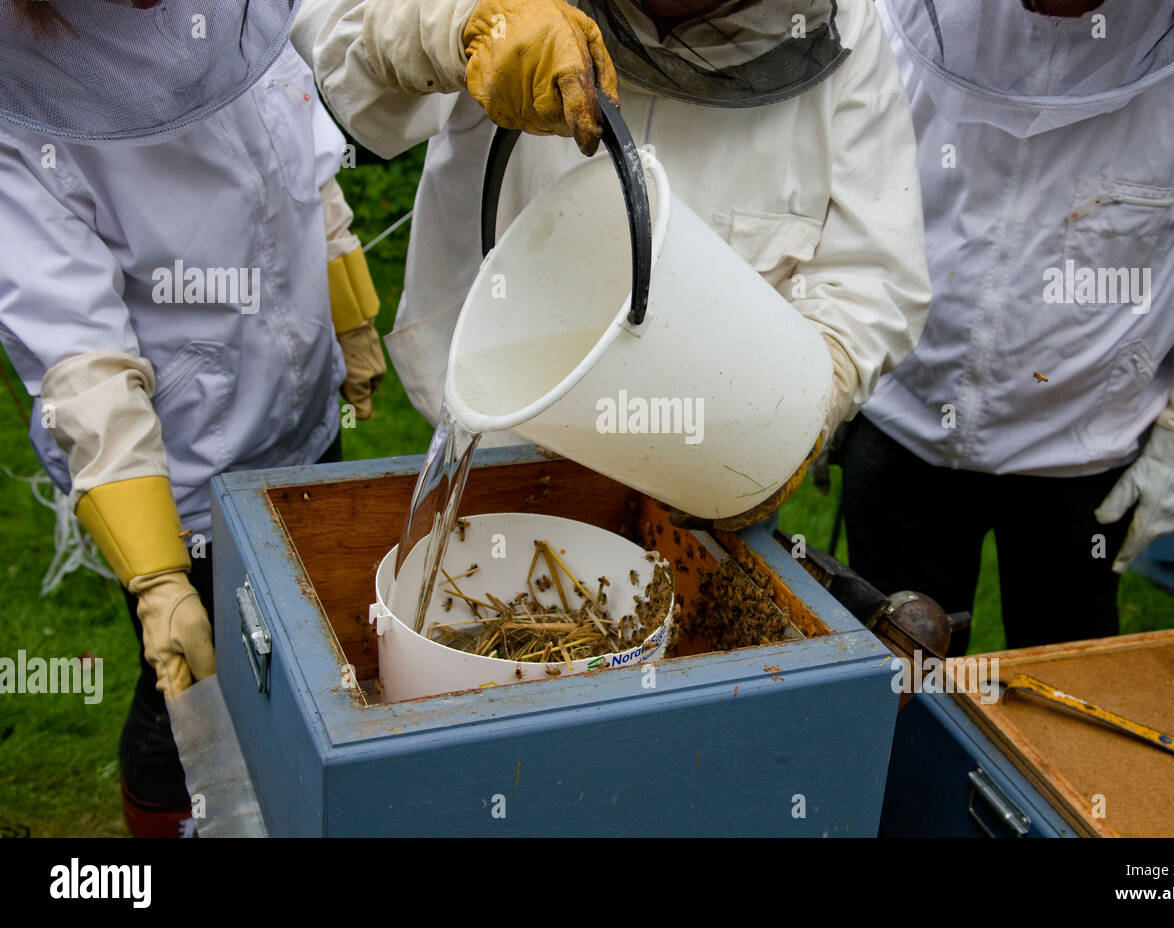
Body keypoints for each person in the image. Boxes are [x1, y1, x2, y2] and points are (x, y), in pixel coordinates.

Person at [292, 0, 932, 528]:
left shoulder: (846, 32)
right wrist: (467, 24)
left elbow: (872, 279)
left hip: (702, 482)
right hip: (496, 458)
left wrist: (796, 424)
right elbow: (331, 22)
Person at [0, 0, 384, 835]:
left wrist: (348, 308)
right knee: (188, 694)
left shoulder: (233, 17)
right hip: (178, 478)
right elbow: (81, 360)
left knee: (304, 651)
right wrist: (157, 579)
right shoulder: (20, 97)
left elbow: (296, 152)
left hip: (298, 417)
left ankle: (295, 803)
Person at [842, 0, 1174, 651]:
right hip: (906, 419)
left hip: (1085, 452)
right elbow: (845, 180)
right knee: (886, 687)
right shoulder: (902, 15)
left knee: (1068, 685)